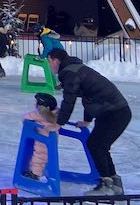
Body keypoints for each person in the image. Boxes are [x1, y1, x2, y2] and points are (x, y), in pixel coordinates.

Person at [47, 48, 131, 196]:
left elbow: (69, 100)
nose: (49, 66)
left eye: (49, 62)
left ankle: (106, 185)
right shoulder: (77, 68)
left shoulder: (69, 73)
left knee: (95, 144)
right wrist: (87, 120)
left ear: (55, 60)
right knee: (100, 145)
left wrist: (59, 122)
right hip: (116, 111)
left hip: (114, 113)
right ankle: (114, 183)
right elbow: (90, 96)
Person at [21, 92, 60, 181]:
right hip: (52, 139)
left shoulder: (39, 114)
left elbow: (25, 117)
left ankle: (35, 174)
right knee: (43, 156)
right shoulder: (57, 114)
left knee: (39, 156)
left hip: (42, 139)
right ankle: (35, 171)